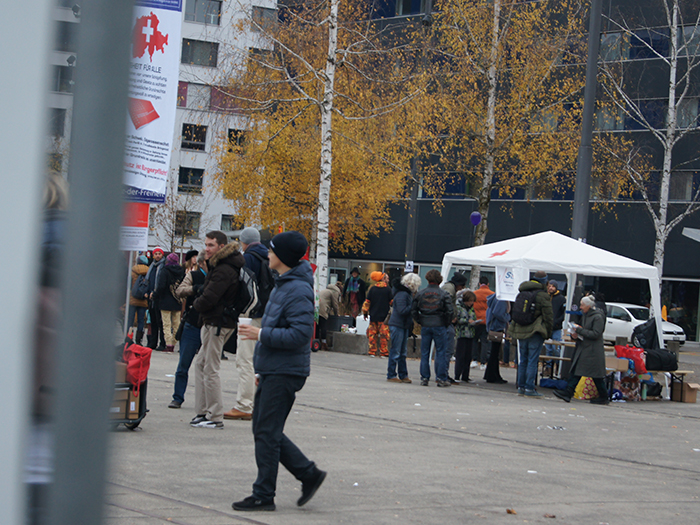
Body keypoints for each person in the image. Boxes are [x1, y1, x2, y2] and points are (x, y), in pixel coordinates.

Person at [233, 231, 326, 512]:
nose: (268, 254)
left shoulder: (296, 289)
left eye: (272, 251)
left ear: (282, 257)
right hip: (275, 369)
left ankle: (264, 494)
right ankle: (308, 474)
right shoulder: (284, 284)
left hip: (285, 371)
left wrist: (260, 334)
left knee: (266, 430)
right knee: (264, 429)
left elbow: (300, 335)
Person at [191, 231, 245, 429]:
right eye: (206, 244)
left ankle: (213, 415)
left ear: (222, 246)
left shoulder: (224, 269)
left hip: (217, 322)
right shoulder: (224, 265)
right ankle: (203, 411)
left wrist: (195, 303)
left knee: (210, 368)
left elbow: (210, 297)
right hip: (216, 321)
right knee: (201, 364)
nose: (207, 248)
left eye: (211, 245)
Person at [224, 226, 270, 422]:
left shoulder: (248, 259)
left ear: (243, 242)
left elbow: (243, 287)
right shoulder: (268, 257)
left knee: (245, 360)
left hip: (250, 315)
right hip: (268, 315)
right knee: (260, 362)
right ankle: (260, 405)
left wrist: (238, 310)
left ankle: (244, 405)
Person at [553, 295, 609, 405]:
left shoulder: (597, 317)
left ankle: (603, 396)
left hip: (593, 350)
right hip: (585, 347)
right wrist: (576, 334)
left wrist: (579, 330)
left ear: (588, 306)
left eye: (582, 305)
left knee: (594, 375)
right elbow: (586, 331)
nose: (580, 307)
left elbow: (596, 334)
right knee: (579, 371)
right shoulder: (587, 315)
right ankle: (569, 392)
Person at [168, 251, 205, 409]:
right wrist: (196, 288)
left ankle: (204, 400)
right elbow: (180, 290)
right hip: (192, 324)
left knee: (207, 367)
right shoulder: (194, 275)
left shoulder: (218, 276)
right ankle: (178, 397)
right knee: (184, 363)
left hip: (208, 325)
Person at [509, 271, 553, 397]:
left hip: (521, 330)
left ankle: (521, 387)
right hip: (535, 331)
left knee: (523, 360)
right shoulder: (543, 295)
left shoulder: (522, 292)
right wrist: (548, 332)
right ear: (545, 281)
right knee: (532, 360)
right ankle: (529, 388)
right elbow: (548, 316)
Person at [412, 269, 453, 387]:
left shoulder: (420, 293)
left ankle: (424, 377)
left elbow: (414, 310)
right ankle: (440, 378)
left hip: (426, 324)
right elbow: (450, 311)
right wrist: (446, 322)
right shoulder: (444, 294)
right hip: (439, 324)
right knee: (440, 352)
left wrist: (420, 321)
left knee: (425, 352)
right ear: (439, 280)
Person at [386, 273, 422, 383]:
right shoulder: (403, 294)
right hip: (399, 324)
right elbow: (402, 311)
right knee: (397, 351)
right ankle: (392, 374)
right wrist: (413, 306)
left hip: (401, 325)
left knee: (401, 352)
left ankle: (401, 374)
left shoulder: (402, 293)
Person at [155, 252, 185, 353]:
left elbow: (161, 286)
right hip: (177, 301)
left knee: (166, 324)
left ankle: (168, 345)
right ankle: (174, 342)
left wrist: (155, 295)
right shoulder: (181, 271)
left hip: (165, 301)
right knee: (177, 324)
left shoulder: (165, 270)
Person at [441, 272, 467, 382]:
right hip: (447, 323)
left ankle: (442, 373)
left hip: (445, 322)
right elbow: (446, 303)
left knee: (444, 350)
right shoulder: (449, 290)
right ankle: (443, 374)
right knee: (447, 350)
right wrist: (451, 317)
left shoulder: (448, 287)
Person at [362, 272, 393, 358]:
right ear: (383, 279)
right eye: (386, 278)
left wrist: (365, 313)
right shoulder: (388, 290)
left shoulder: (372, 289)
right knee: (384, 336)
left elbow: (367, 303)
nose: (388, 280)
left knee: (372, 335)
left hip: (373, 316)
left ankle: (372, 351)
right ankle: (383, 352)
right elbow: (392, 302)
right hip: (384, 318)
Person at [484, 293, 509, 384]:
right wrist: (507, 318)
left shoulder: (494, 298)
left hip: (493, 326)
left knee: (493, 352)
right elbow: (498, 313)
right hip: (497, 327)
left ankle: (490, 374)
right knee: (495, 353)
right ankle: (492, 375)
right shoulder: (502, 299)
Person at [454, 290, 477, 383]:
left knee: (468, 356)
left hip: (470, 334)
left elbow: (474, 317)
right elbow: (457, 319)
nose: (471, 303)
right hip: (462, 334)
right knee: (460, 356)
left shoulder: (471, 308)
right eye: (470, 301)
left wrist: (474, 321)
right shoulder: (459, 308)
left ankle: (465, 376)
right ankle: (457, 375)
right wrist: (467, 321)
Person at [145, 247, 166, 350]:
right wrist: (147, 292)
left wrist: (155, 292)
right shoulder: (152, 266)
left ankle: (163, 343)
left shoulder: (163, 266)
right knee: (152, 321)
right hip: (151, 298)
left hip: (159, 297)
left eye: (159, 254)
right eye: (156, 254)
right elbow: (148, 281)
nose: (158, 255)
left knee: (160, 322)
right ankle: (152, 343)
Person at [472, 275, 493, 369]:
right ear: (488, 284)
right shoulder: (492, 294)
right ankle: (483, 363)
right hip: (487, 320)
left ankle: (474, 360)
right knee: (485, 341)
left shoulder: (474, 293)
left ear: (479, 284)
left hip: (476, 320)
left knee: (474, 340)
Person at [128, 255, 149, 345]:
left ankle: (129, 339)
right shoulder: (148, 272)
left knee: (130, 320)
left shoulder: (132, 271)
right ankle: (139, 340)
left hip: (132, 299)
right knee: (141, 320)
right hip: (143, 300)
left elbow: (128, 285)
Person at [544, 280, 566, 364]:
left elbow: (563, 313)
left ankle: (557, 365)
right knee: (548, 349)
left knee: (556, 348)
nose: (550, 288)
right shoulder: (546, 297)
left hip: (556, 327)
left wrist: (557, 321)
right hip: (547, 327)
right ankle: (548, 366)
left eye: (552, 286)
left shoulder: (561, 299)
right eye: (549, 286)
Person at [317, 282, 342, 350]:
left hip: (316, 308)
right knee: (323, 326)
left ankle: (316, 341)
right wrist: (337, 314)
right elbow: (335, 304)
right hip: (323, 309)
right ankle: (323, 343)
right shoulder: (334, 292)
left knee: (317, 326)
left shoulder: (326, 290)